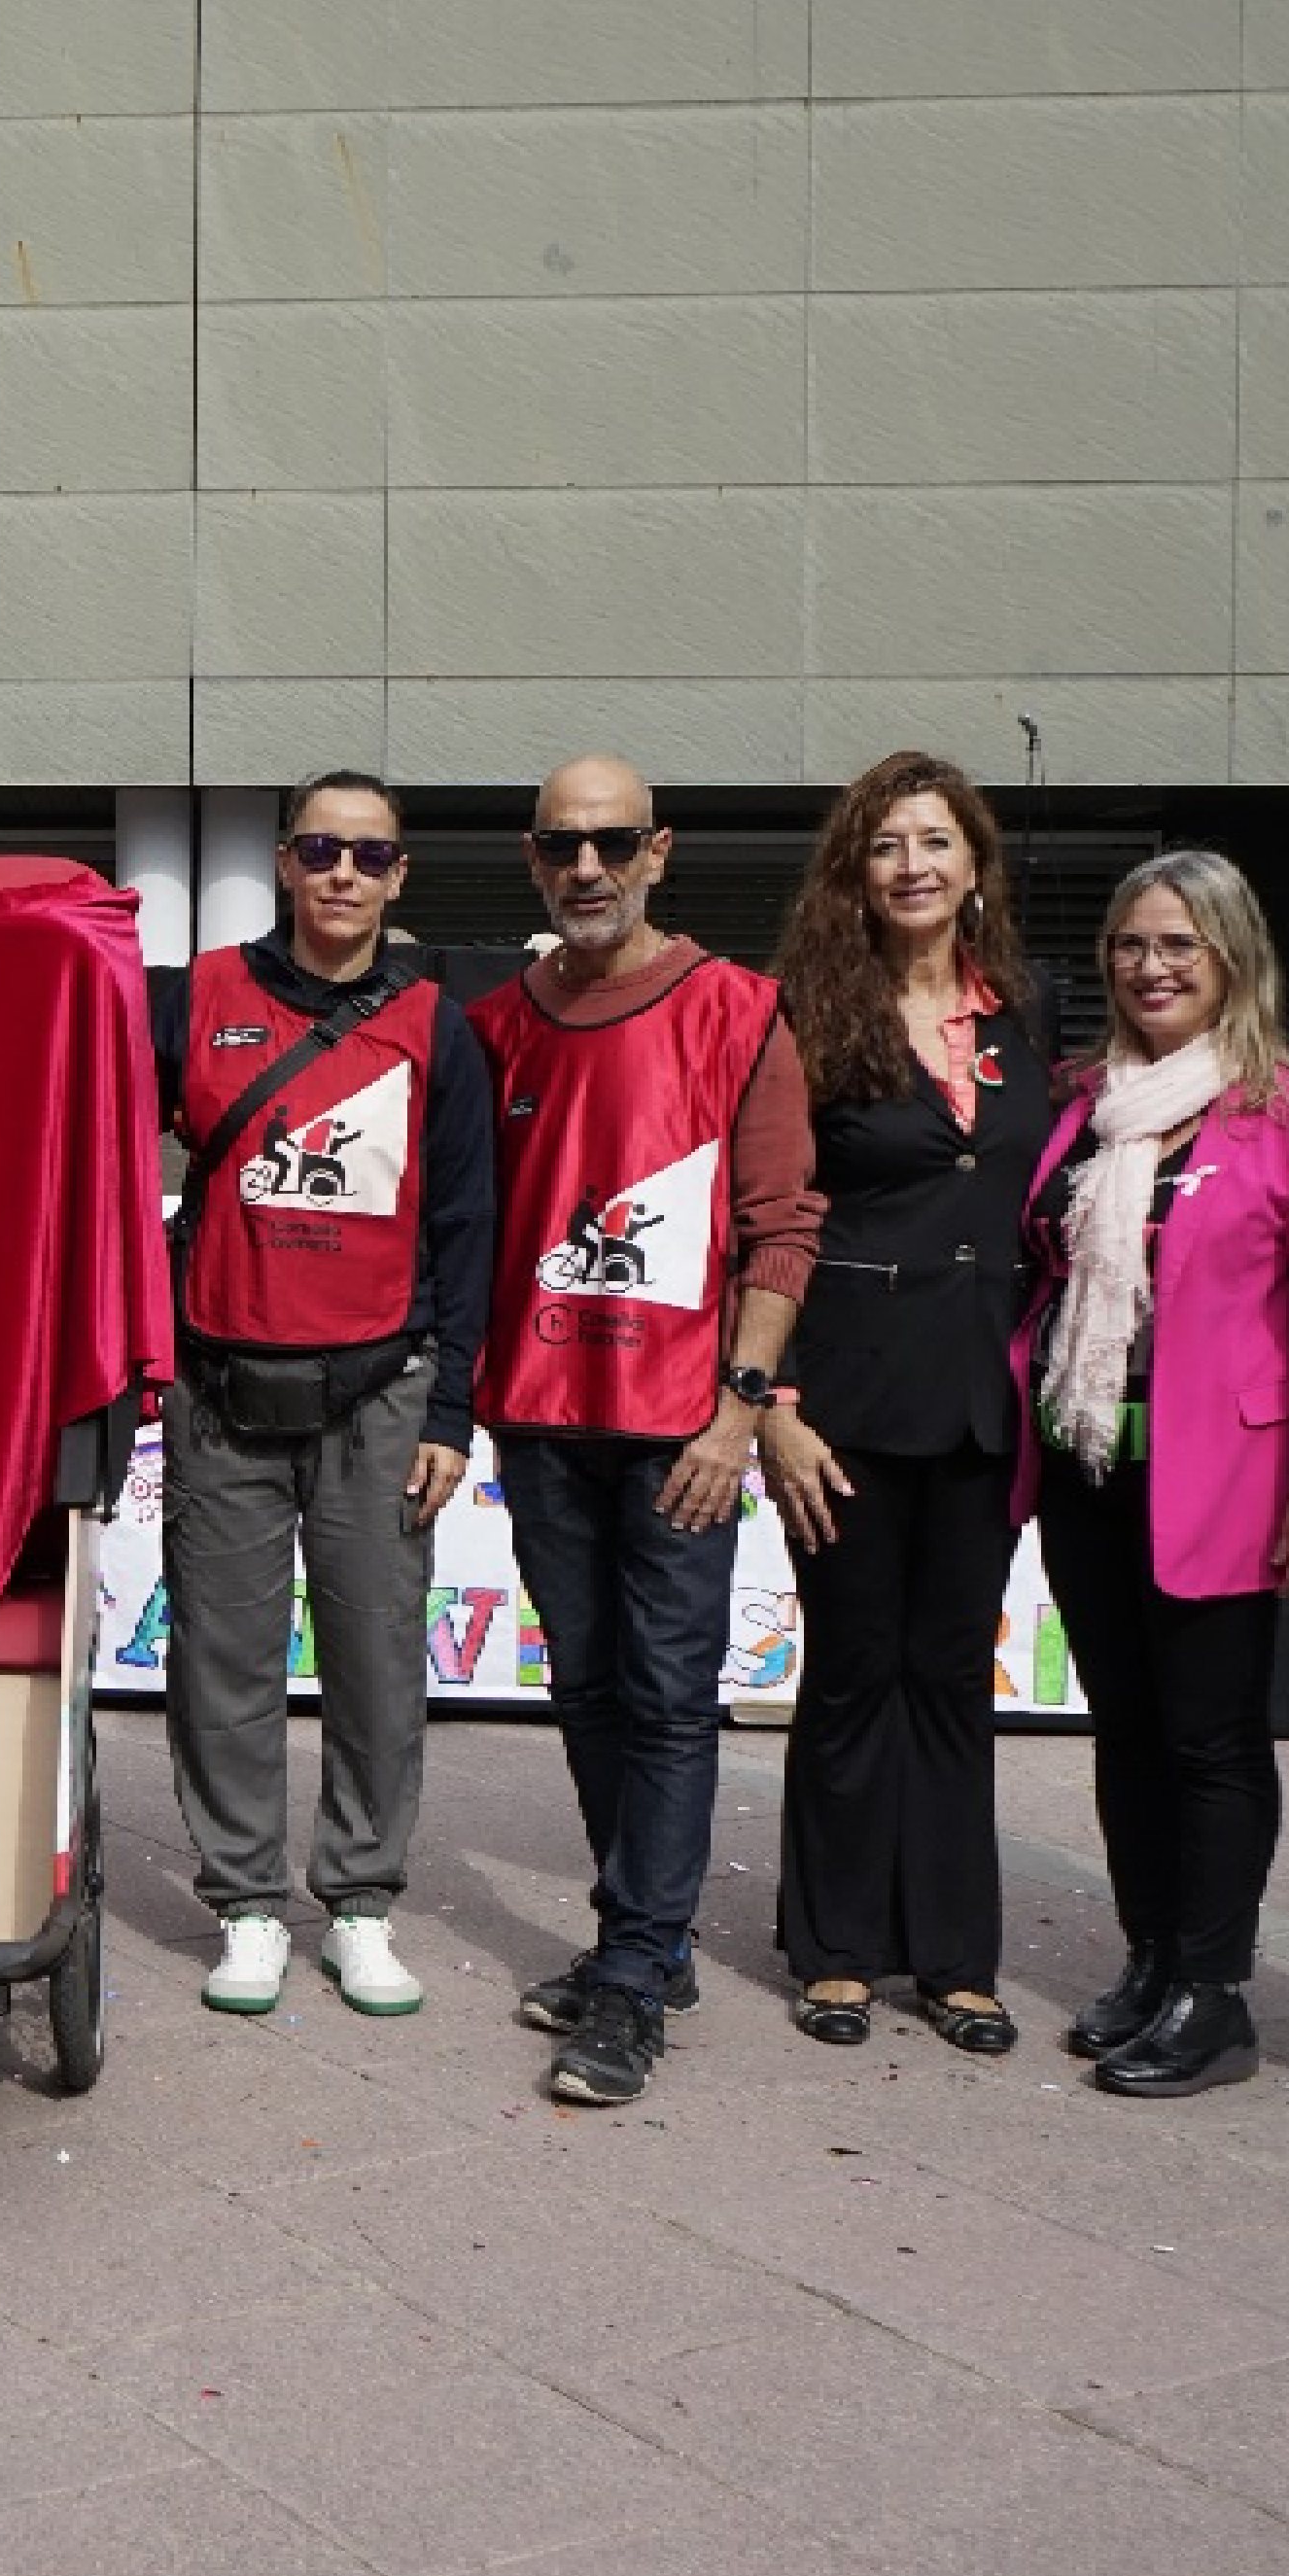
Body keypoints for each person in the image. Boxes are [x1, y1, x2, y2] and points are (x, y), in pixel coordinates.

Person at [469, 757, 823, 2105]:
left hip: (684, 1427)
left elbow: (782, 1230)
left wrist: (741, 1412)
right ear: (532, 857)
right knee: (589, 1688)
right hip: (541, 1419)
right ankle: (649, 1938)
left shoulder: (740, 1010)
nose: (589, 867)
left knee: (669, 1698)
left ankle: (630, 1975)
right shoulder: (497, 1025)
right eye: (564, 844)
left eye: (614, 842)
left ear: (660, 851)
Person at [148, 769, 498, 2017]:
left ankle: (359, 1904)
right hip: (221, 1391)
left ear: (400, 876)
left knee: (376, 1666)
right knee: (222, 1664)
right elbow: (95, 1146)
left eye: (371, 854)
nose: (344, 873)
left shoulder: (436, 1024)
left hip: (380, 1397)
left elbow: (467, 1225)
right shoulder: (198, 999)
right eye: (320, 849)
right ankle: (246, 1904)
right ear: (286, 863)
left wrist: (451, 1411)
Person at [1014, 853, 1289, 2102]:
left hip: (1228, 1471)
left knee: (1211, 1737)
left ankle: (1215, 1991)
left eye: (1180, 945)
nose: (1152, 967)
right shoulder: (1082, 1101)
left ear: (1234, 957)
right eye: (1132, 944)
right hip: (1090, 1460)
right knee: (1128, 1728)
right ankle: (1151, 1960)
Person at [758, 751, 1045, 2056]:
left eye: (936, 841)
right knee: (853, 1668)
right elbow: (769, 1214)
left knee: (950, 1674)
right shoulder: (807, 1017)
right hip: (847, 1399)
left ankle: (954, 1957)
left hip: (986, 1397)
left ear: (974, 864)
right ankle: (836, 1949)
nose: (914, 864)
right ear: (854, 875)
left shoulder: (1022, 1013)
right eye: (887, 844)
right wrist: (775, 1402)